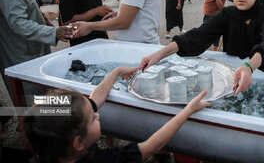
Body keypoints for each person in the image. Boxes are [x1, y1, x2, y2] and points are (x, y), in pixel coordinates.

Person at [140, 0, 264, 96]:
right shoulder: (227, 14)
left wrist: (249, 67)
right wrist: (159, 54)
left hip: (259, 75)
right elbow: (198, 35)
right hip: (234, 77)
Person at [23, 66, 210, 163]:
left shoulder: (48, 147)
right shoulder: (105, 160)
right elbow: (152, 145)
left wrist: (117, 72)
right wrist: (188, 110)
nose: (97, 115)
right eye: (93, 118)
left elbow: (95, 98)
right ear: (78, 142)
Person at [0, 0, 73, 101]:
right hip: (22, 57)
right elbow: (19, 23)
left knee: (42, 98)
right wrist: (53, 32)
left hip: (32, 52)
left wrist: (44, 20)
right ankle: (26, 125)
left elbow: (28, 9)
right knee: (31, 101)